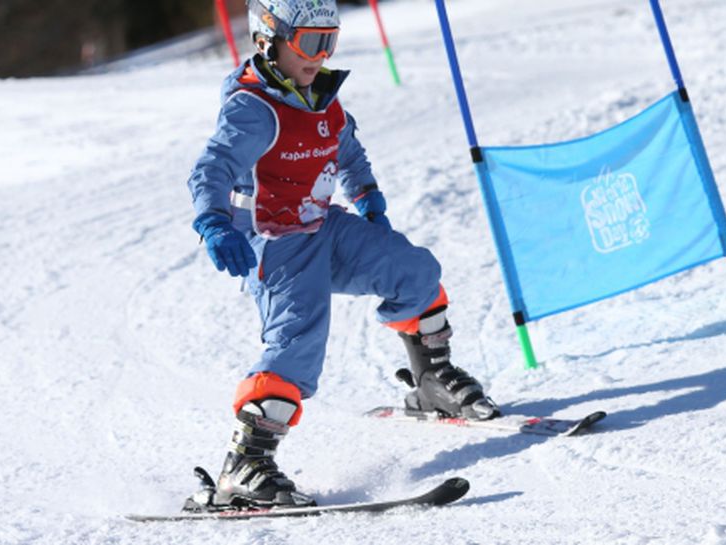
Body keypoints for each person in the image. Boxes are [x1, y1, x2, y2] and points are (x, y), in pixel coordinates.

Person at [185, 0, 500, 510]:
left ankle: (431, 382)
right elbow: (212, 167)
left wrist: (367, 195)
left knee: (413, 271)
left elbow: (345, 147)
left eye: (330, 40)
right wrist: (214, 221)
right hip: (276, 242)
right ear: (269, 40)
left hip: (322, 227)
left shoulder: (321, 95)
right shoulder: (252, 108)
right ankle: (245, 463)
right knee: (297, 344)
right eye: (310, 42)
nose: (322, 54)